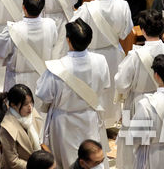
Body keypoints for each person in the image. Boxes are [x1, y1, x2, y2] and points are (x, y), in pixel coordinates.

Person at [35, 19, 110, 169]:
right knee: (91, 160)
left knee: (67, 162)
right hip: (88, 117)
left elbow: (43, 94)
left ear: (68, 40)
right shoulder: (100, 61)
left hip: (64, 122)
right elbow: (105, 85)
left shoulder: (57, 67)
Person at [115, 11, 164, 168]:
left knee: (133, 145)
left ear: (142, 30)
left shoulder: (135, 55)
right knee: (161, 140)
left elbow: (121, 83)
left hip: (139, 102)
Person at [0, 0, 59, 94]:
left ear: (23, 7)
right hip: (41, 77)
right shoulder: (50, 24)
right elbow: (53, 42)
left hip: (18, 81)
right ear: (42, 8)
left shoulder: (13, 29)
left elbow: (0, 50)